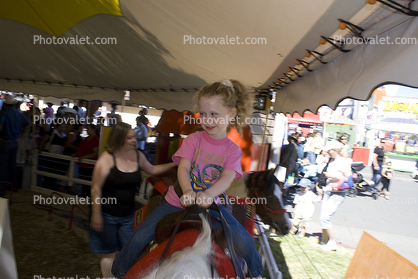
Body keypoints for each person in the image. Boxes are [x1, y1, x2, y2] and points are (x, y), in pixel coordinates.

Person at [111, 80, 263, 278]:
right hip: (176, 200)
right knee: (141, 234)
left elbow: (226, 177)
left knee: (244, 239)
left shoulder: (232, 150)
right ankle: (118, 272)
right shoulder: (194, 139)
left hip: (212, 203)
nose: (207, 120)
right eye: (204, 114)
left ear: (231, 114)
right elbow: (183, 167)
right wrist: (188, 191)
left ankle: (258, 273)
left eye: (214, 114)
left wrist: (208, 194)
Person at [90, 122, 177, 278]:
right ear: (119, 139)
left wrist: (175, 164)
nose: (134, 140)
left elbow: (152, 169)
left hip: (128, 215)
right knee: (109, 254)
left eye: (133, 136)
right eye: (129, 137)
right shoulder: (107, 158)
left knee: (126, 251)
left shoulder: (138, 155)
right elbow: (95, 188)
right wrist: (96, 214)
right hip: (106, 214)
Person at [316, 141, 352, 251]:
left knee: (325, 217)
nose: (327, 152)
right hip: (328, 190)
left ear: (336, 150)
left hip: (337, 193)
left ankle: (332, 243)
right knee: (322, 217)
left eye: (329, 151)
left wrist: (333, 176)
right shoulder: (331, 160)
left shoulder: (343, 162)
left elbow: (349, 179)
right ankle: (324, 241)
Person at [0, 95, 31, 195]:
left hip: (5, 141)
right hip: (14, 141)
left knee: (3, 165)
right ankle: (13, 186)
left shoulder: (3, 113)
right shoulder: (19, 114)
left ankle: (2, 188)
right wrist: (20, 133)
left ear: (5, 104)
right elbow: (28, 124)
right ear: (13, 104)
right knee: (13, 165)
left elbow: (0, 126)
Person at [74, 124, 99, 198]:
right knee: (84, 180)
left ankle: (86, 195)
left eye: (88, 129)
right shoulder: (87, 138)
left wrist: (84, 157)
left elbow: (95, 153)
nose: (87, 130)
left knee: (87, 181)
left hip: (89, 165)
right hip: (83, 164)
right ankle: (84, 194)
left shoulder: (95, 139)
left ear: (93, 130)